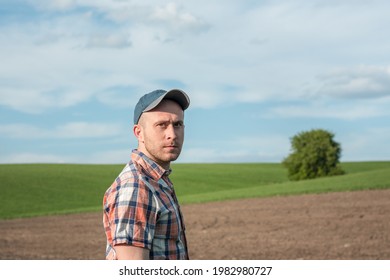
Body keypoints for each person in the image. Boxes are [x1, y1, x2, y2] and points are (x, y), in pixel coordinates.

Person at [103, 89, 190, 260]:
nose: (172, 135)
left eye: (177, 124)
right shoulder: (136, 186)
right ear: (138, 133)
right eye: (161, 125)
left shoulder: (156, 181)